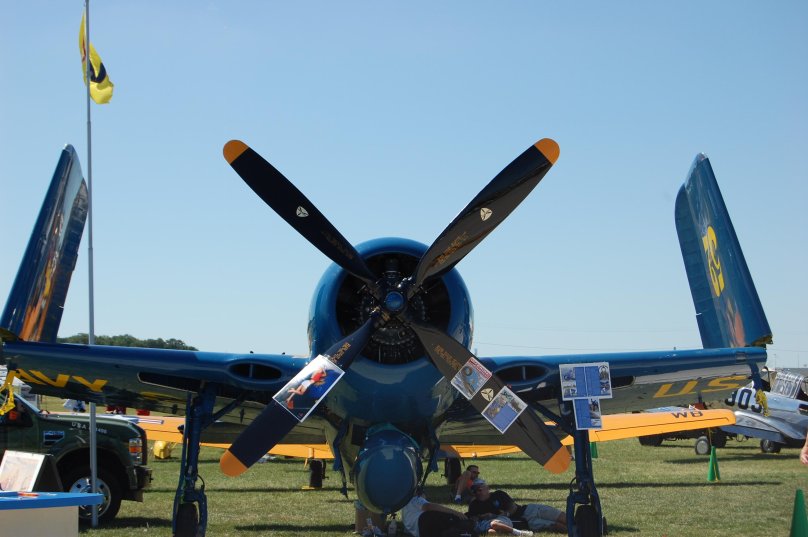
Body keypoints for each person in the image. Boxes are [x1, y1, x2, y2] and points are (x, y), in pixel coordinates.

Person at [468, 478, 565, 534]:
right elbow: (473, 519)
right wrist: (484, 516)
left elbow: (513, 507)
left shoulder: (498, 494)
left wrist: (506, 513)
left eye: (480, 489)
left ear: (487, 488)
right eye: (475, 491)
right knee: (556, 526)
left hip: (527, 510)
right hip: (525, 522)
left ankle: (578, 521)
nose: (478, 492)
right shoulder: (474, 505)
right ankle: (577, 531)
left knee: (562, 517)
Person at [401, 490, 475, 537]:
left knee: (444, 530)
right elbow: (428, 506)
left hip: (421, 532)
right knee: (454, 518)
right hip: (425, 520)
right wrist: (456, 512)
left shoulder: (405, 508)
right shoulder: (416, 498)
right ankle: (472, 525)